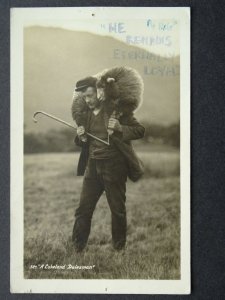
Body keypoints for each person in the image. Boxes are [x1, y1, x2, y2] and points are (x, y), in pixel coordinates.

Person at [71, 76, 145, 252]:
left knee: (117, 210)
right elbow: (83, 142)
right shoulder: (86, 115)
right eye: (84, 97)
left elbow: (140, 130)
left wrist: (120, 127)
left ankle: (119, 251)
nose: (87, 100)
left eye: (90, 95)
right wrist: (81, 137)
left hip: (115, 167)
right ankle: (77, 249)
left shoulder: (117, 111)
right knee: (83, 209)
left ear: (99, 91)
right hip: (92, 167)